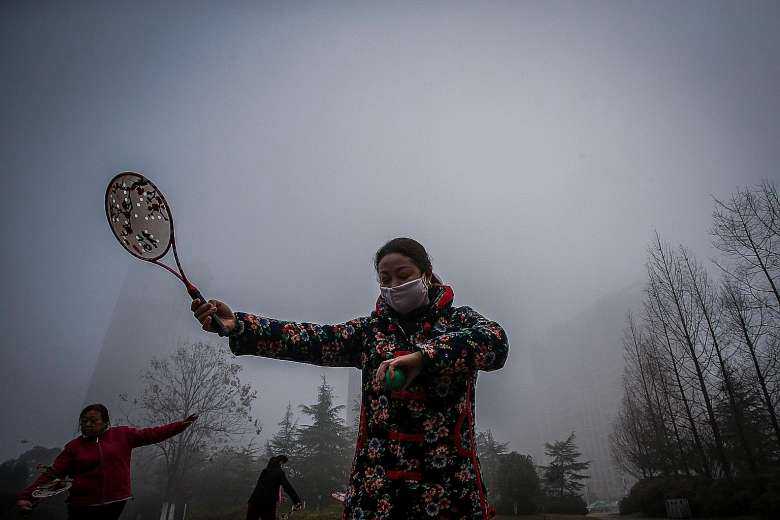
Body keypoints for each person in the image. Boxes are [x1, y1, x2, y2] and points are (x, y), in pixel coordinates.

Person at [192, 237, 509, 518]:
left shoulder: (459, 321)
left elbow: (495, 343)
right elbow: (311, 339)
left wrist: (424, 357)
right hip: (378, 491)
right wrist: (239, 326)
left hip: (448, 488)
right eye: (385, 278)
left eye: (404, 275)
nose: (394, 285)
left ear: (426, 275)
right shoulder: (369, 333)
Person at [16, 403, 197, 520]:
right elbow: (53, 473)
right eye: (84, 421)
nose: (87, 424)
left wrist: (179, 426)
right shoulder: (74, 447)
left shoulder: (123, 435)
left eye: (93, 420)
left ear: (105, 422)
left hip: (115, 503)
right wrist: (27, 496)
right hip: (82, 507)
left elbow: (152, 434)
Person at [247, 455, 303, 520]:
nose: (282, 466)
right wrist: (296, 501)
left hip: (254, 501)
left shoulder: (264, 472)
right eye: (283, 464)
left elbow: (261, 487)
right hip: (268, 503)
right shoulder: (279, 472)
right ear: (280, 462)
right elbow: (287, 487)